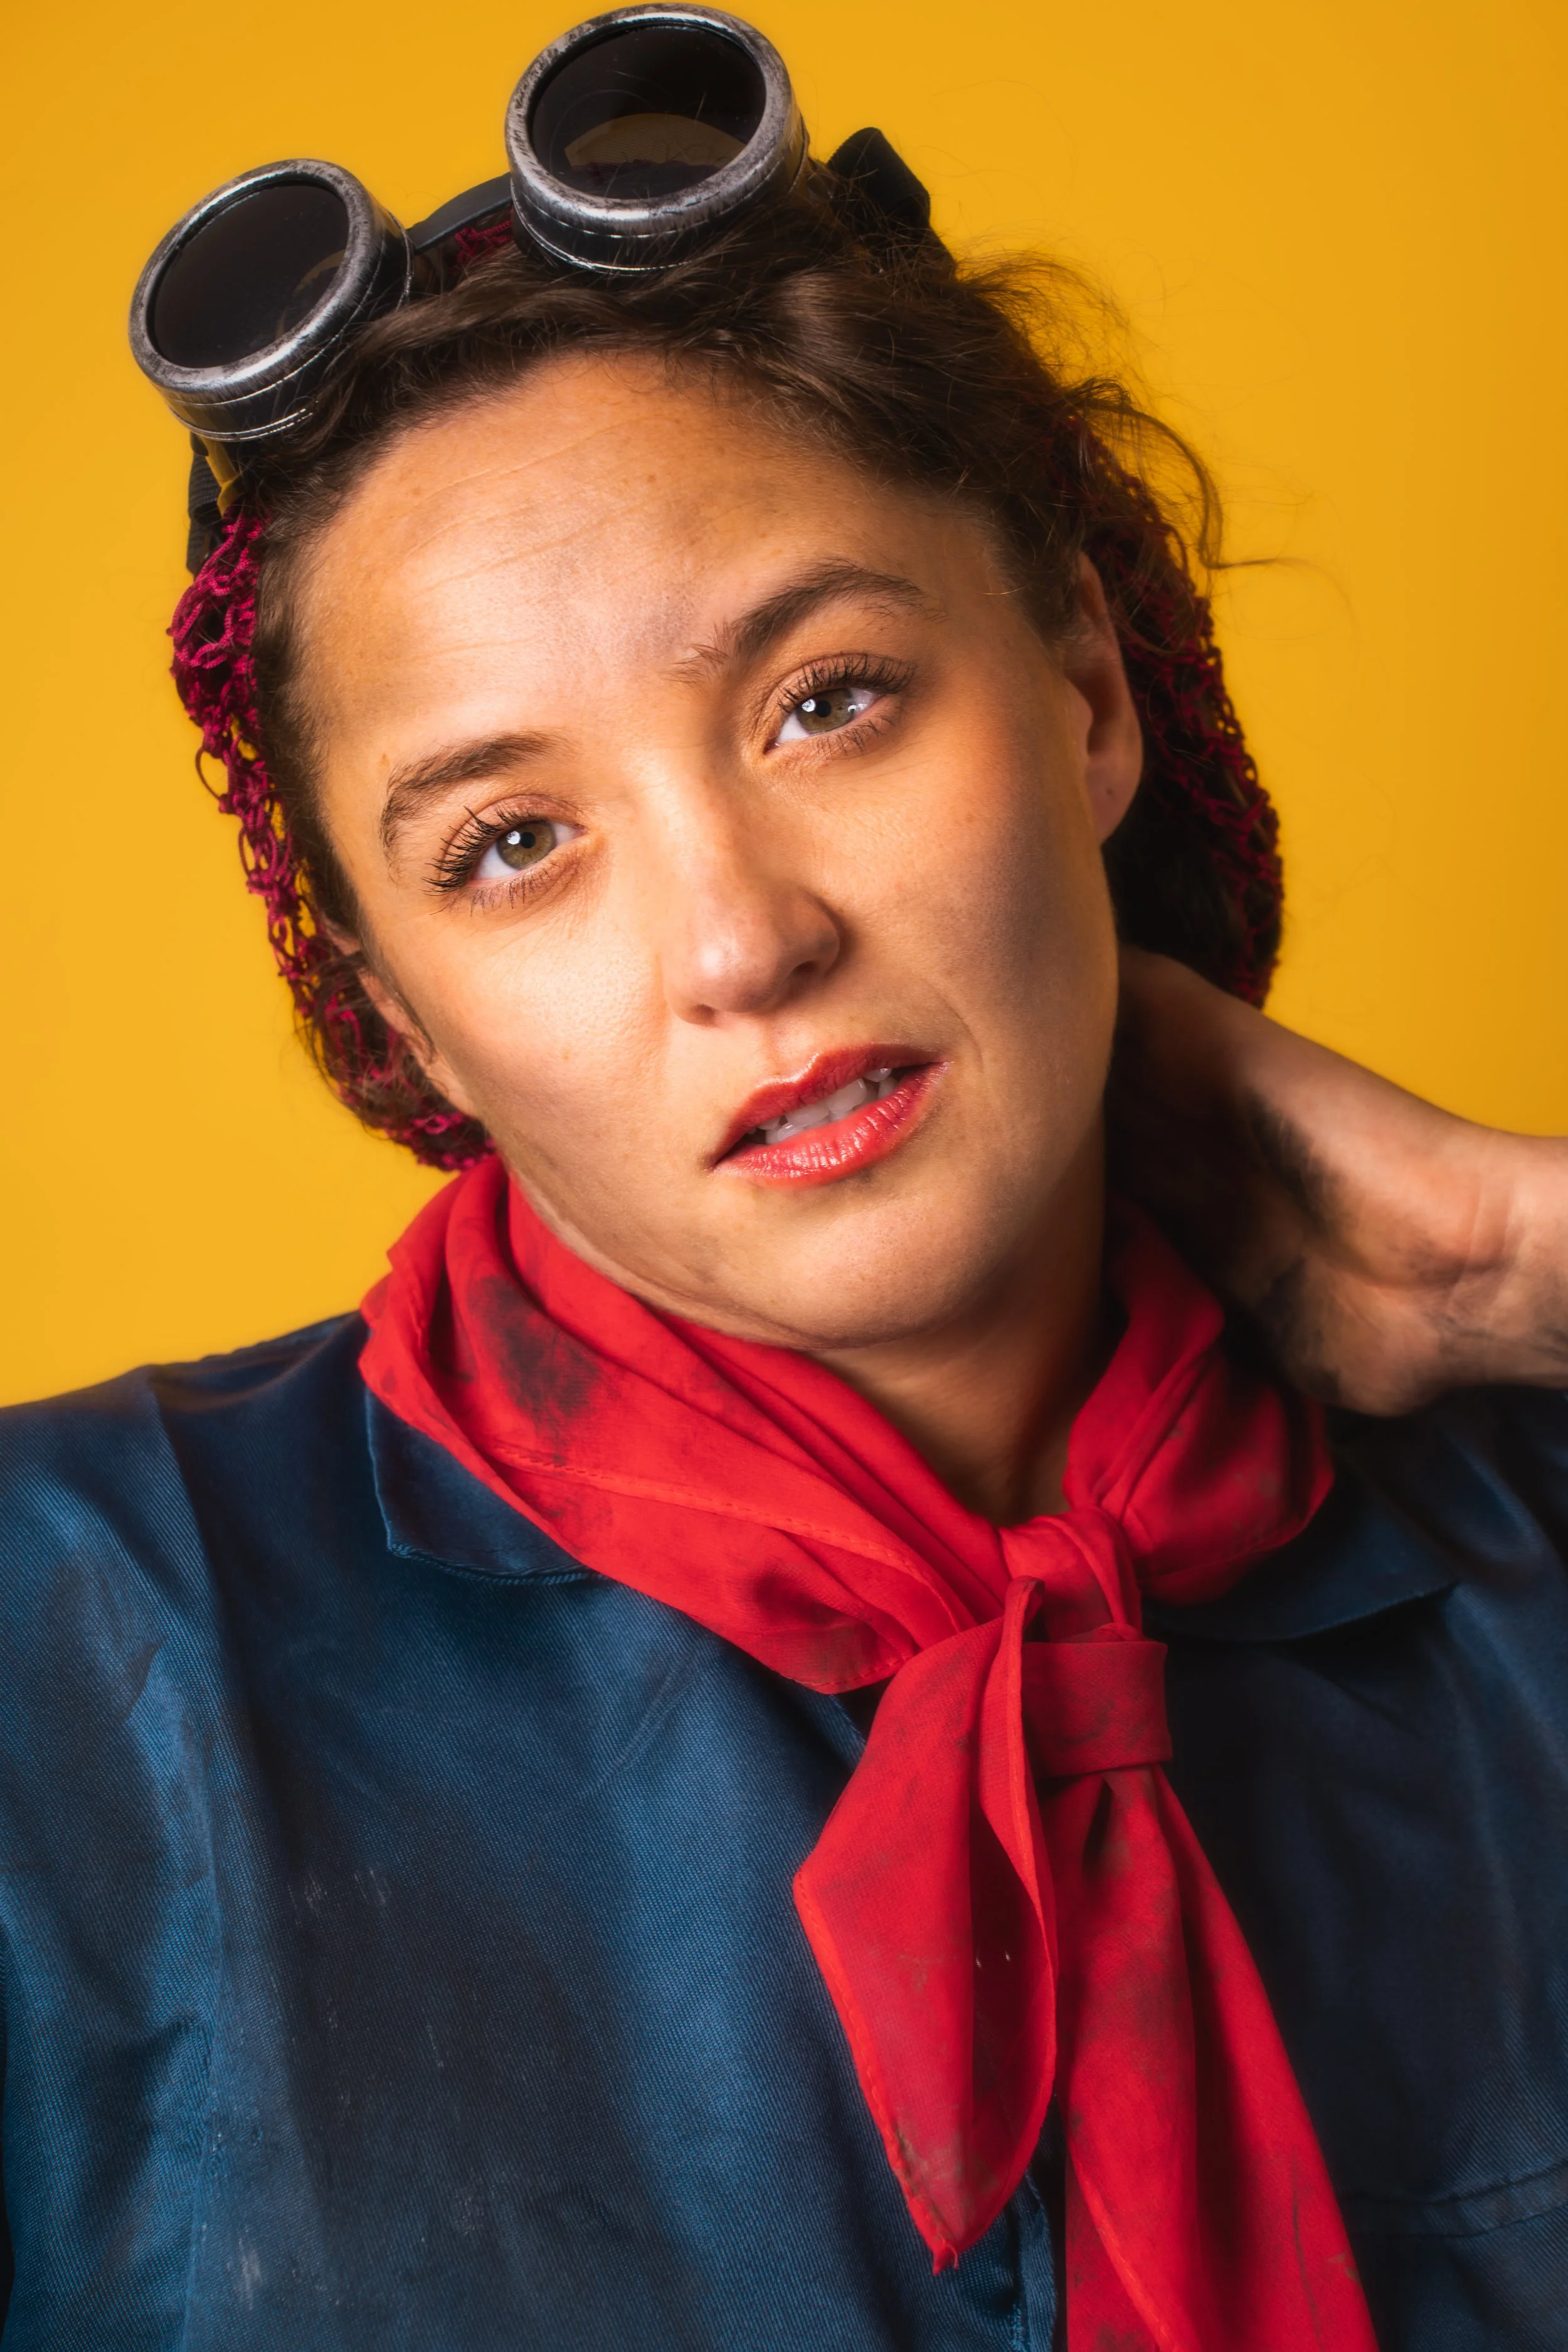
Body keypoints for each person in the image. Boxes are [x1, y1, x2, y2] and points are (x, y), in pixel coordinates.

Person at [3, 26, 1567, 2348]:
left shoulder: (1518, 1511)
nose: (744, 938)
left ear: (1084, 684)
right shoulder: (72, 1642)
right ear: (403, 1020)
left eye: (823, 699)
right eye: (512, 845)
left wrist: (1528, 1263)